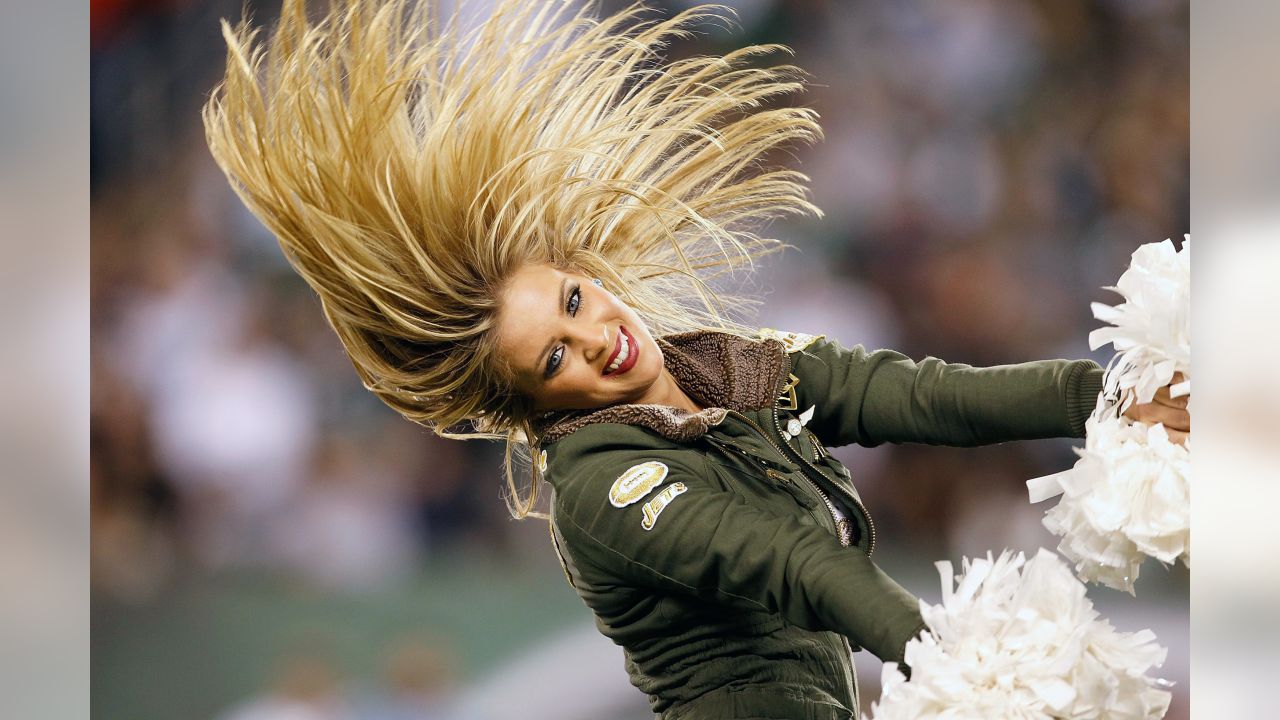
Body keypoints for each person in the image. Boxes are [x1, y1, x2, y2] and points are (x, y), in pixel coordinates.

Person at [202, 1, 1191, 718]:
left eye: (576, 302)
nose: (594, 338)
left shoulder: (736, 373)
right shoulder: (601, 487)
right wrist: (958, 662)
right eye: (554, 357)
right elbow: (788, 561)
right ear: (538, 403)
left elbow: (922, 397)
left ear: (588, 271)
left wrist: (1115, 393)